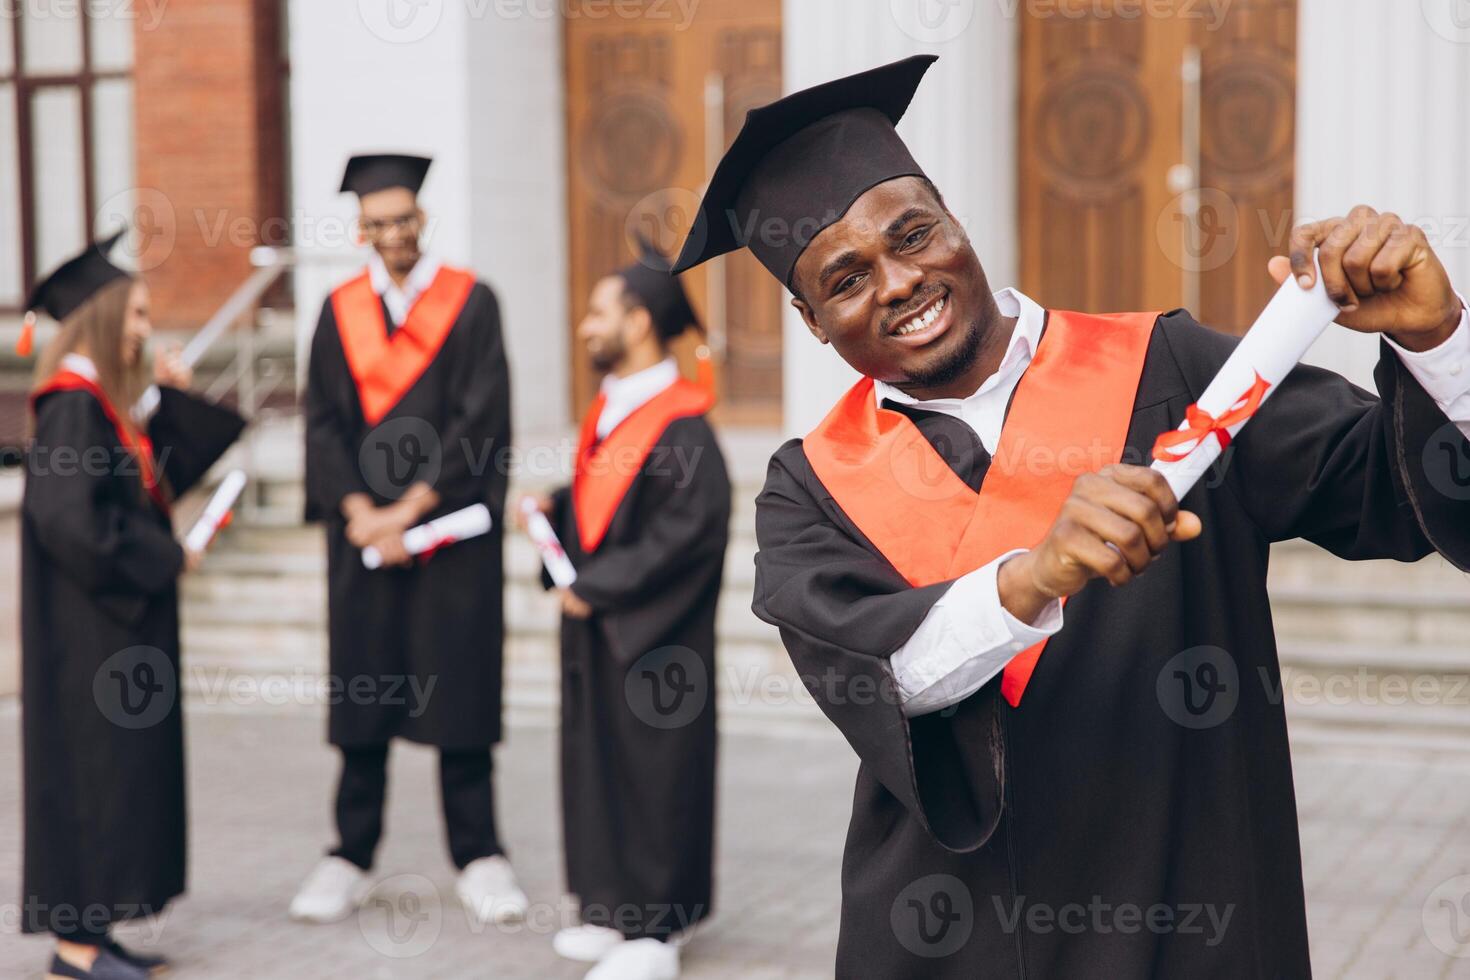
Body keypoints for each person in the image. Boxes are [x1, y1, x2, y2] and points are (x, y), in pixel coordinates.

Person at [672, 56, 1470, 978]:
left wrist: (1436, 334)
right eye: (845, 279)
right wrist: (1031, 576)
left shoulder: (1169, 367)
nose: (896, 282)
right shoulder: (810, 485)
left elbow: (1402, 495)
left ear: (958, 226)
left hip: (1186, 906)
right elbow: (884, 682)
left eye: (914, 234)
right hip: (951, 936)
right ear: (813, 321)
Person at [290, 153, 523, 926]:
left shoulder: (471, 304)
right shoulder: (339, 310)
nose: (394, 234)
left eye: (404, 220)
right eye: (379, 224)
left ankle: (481, 856)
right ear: (362, 231)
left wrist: (407, 514)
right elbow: (322, 420)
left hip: (446, 536)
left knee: (458, 692)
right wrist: (360, 510)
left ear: (422, 221)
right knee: (365, 692)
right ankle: (348, 854)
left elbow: (480, 421)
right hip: (364, 541)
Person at [20, 233, 245, 980]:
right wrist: (165, 557)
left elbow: (143, 487)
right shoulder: (70, 408)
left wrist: (161, 400)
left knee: (115, 781)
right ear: (105, 316)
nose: (147, 328)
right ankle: (74, 947)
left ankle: (98, 930)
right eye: (139, 314)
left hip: (110, 631)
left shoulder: (101, 409)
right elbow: (70, 522)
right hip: (87, 639)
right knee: (88, 781)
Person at [521, 240, 730, 980]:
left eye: (599, 312)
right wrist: (555, 513)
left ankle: (660, 928)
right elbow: (608, 512)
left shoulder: (683, 429)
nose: (585, 326)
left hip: (658, 642)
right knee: (598, 765)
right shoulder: (614, 410)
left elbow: (685, 537)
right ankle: (611, 908)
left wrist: (597, 585)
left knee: (658, 771)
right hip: (601, 636)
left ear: (639, 322)